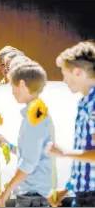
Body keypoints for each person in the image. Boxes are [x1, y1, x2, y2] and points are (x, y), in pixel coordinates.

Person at [0, 61, 52, 207]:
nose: (12, 91)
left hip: (32, 196)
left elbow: (29, 163)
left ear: (21, 84)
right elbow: (28, 153)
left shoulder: (35, 118)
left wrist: (6, 192)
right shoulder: (35, 114)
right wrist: (7, 145)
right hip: (34, 194)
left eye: (12, 85)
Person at [47, 41, 95, 207]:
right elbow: (84, 162)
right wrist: (67, 189)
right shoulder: (84, 103)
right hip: (83, 195)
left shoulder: (93, 105)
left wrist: (64, 153)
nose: (64, 80)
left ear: (78, 72)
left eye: (65, 74)